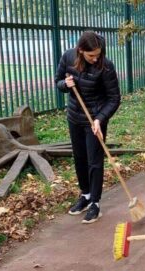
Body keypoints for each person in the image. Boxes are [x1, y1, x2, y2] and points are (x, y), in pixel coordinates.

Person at [55, 31, 121, 224]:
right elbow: (57, 81)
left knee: (95, 161)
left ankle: (96, 203)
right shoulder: (68, 57)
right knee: (80, 158)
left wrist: (100, 119)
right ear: (81, 50)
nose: (95, 58)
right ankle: (85, 195)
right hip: (75, 117)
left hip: (95, 120)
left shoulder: (106, 67)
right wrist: (64, 84)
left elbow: (114, 98)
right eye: (91, 55)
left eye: (98, 54)